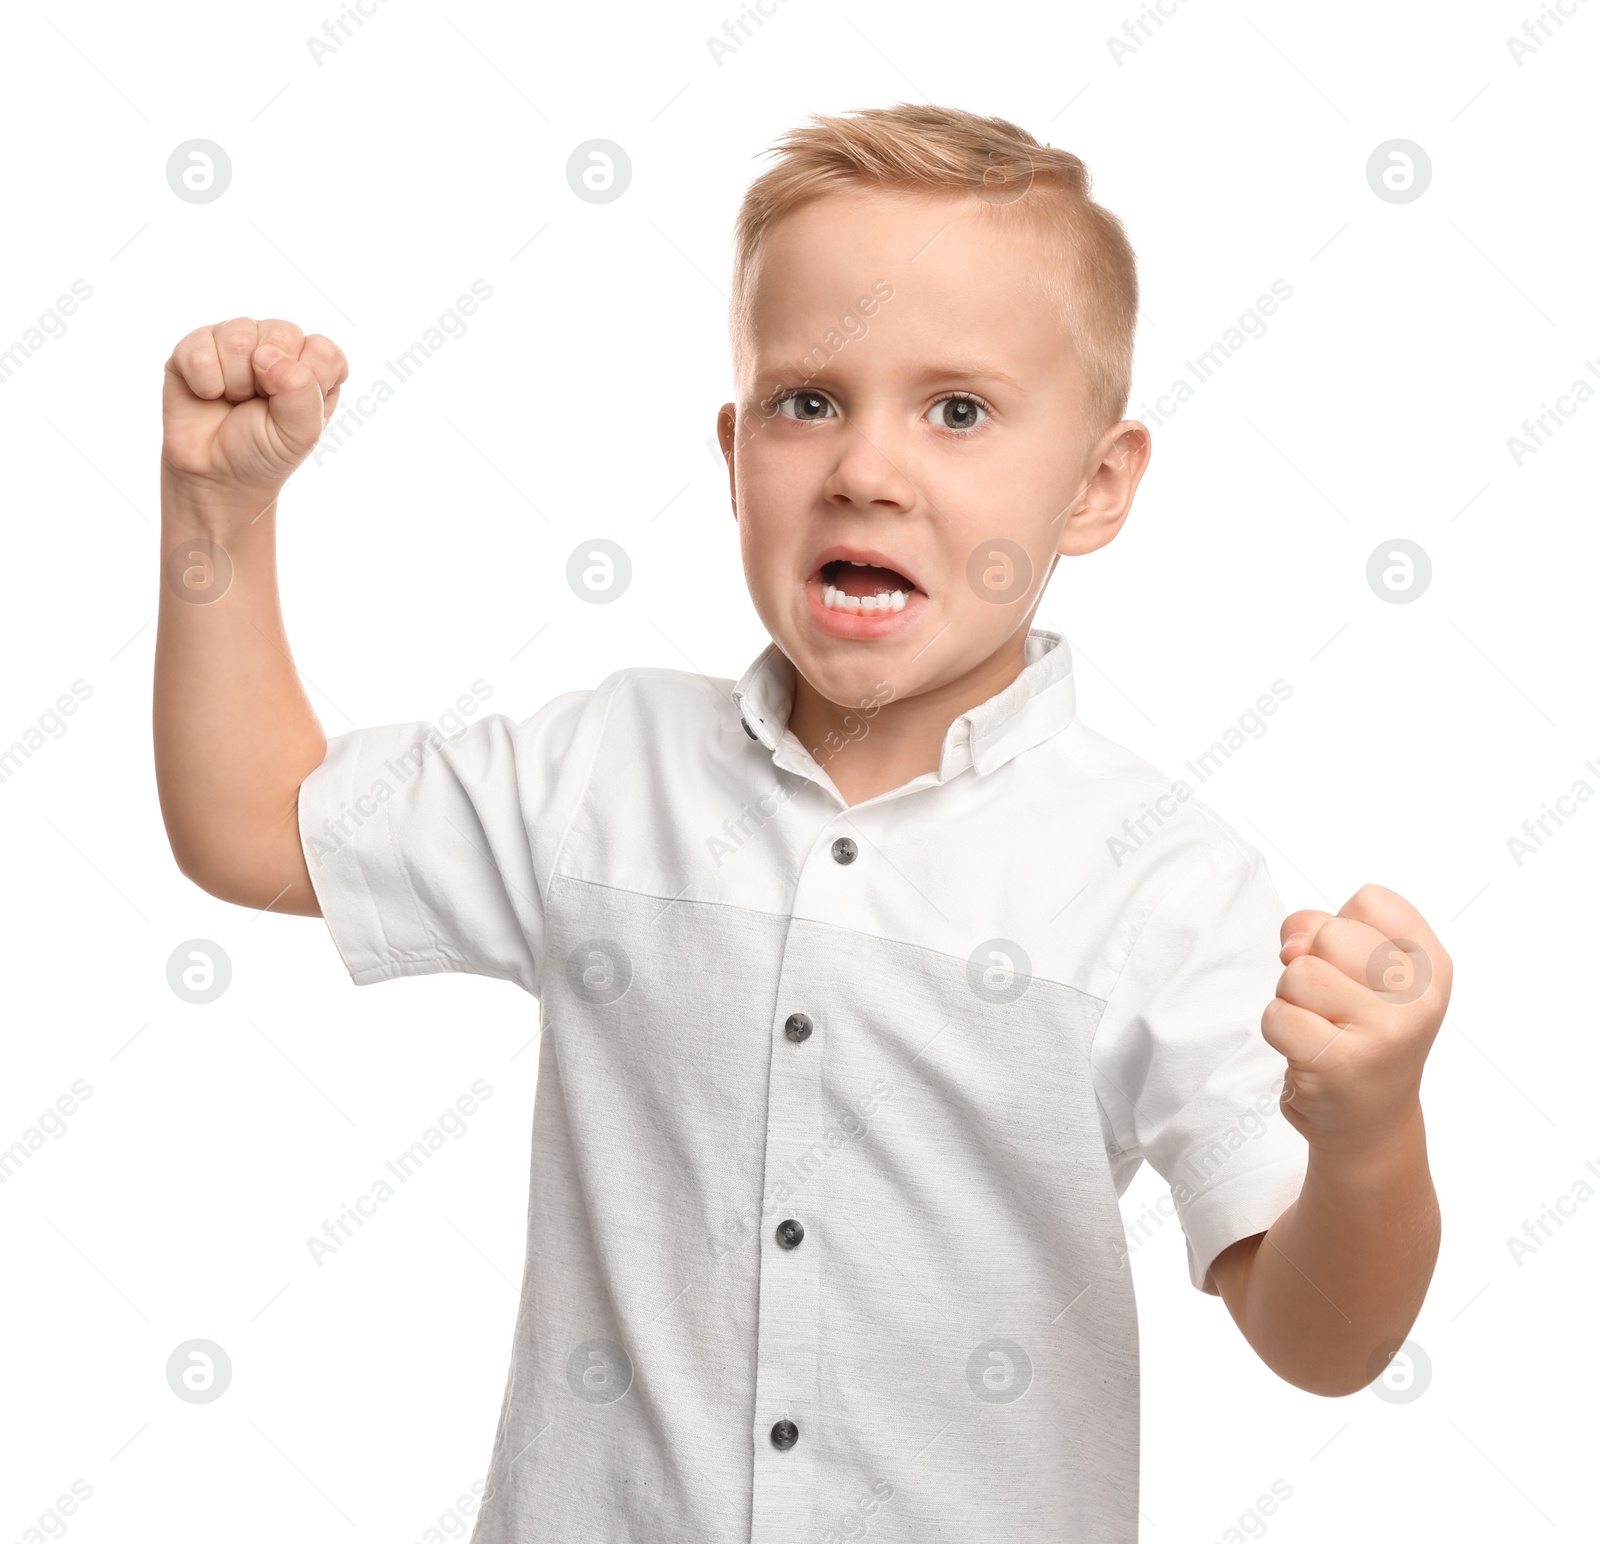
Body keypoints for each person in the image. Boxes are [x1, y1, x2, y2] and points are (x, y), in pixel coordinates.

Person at [153, 102, 1448, 1543]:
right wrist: (218, 514)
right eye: (808, 401)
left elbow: (1322, 1341)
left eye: (957, 411)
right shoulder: (606, 773)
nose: (865, 469)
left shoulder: (1163, 884)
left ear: (1097, 487)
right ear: (733, 450)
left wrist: (1374, 1138)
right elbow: (256, 827)